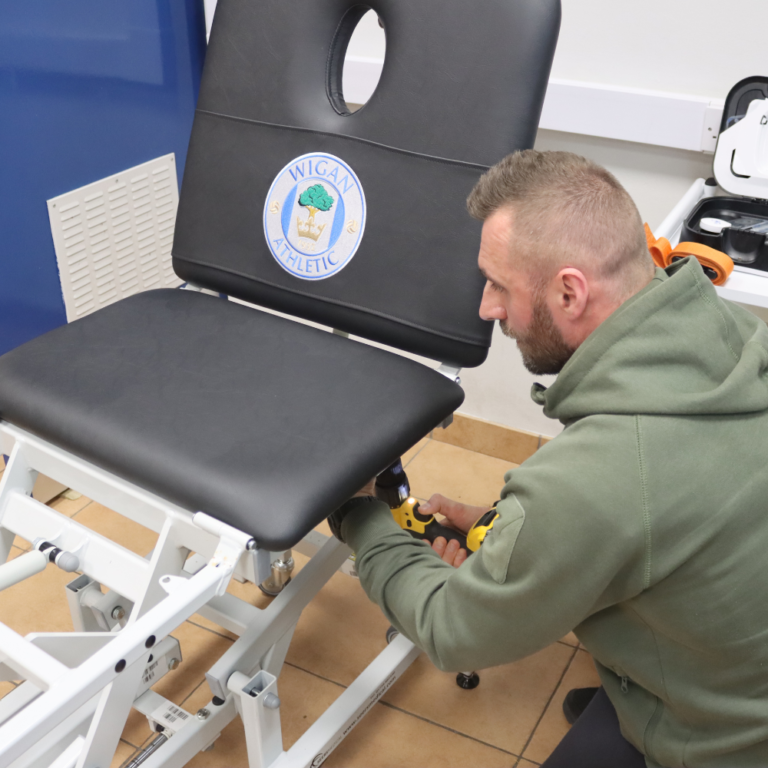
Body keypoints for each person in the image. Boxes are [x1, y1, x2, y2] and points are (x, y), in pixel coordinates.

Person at [329, 150, 768, 768]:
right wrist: (514, 530)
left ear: (569, 291)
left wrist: (358, 516)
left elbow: (453, 629)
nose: (487, 307)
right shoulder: (734, 331)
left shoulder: (595, 480)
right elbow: (665, 509)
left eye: (498, 284)